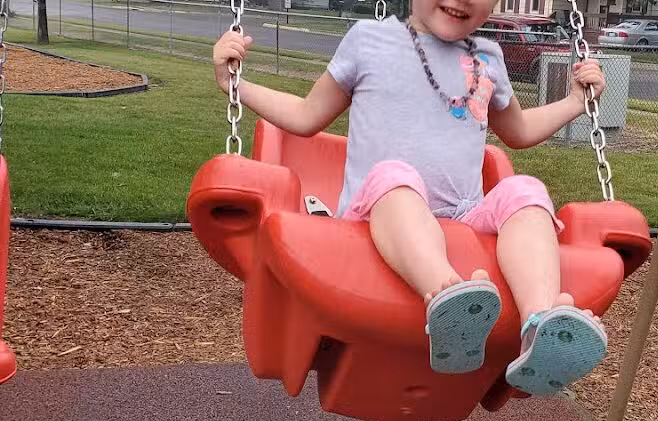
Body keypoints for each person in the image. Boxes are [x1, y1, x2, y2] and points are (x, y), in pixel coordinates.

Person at [212, 0, 608, 395]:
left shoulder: (489, 57)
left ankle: (540, 327)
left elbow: (518, 131)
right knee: (394, 173)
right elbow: (306, 115)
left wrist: (576, 101)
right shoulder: (370, 40)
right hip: (378, 212)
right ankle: (448, 300)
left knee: (527, 191)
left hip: (464, 215)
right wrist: (236, 85)